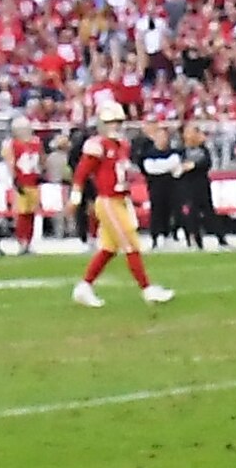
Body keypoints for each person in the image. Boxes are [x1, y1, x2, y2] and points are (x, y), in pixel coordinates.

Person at [69, 92, 169, 310]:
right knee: (131, 244)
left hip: (121, 199)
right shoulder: (97, 145)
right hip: (108, 201)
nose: (114, 126)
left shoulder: (122, 144)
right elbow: (81, 172)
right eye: (109, 122)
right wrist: (75, 196)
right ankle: (147, 289)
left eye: (117, 121)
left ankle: (84, 287)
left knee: (109, 249)